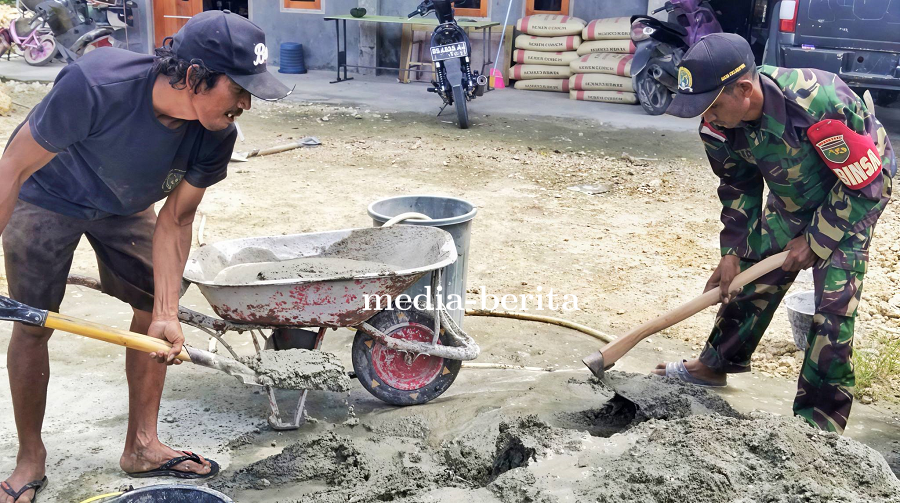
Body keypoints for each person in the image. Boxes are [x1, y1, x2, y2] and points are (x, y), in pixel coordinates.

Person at [0, 10, 291, 502]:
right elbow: (12, 168)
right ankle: (31, 457)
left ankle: (142, 445)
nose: (247, 101)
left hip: (125, 203)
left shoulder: (216, 133)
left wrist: (167, 313)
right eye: (239, 87)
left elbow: (175, 220)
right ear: (196, 76)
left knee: (156, 301)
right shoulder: (96, 84)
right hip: (45, 193)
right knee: (35, 323)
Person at [655, 33, 895, 434]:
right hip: (792, 196)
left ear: (744, 90)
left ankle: (817, 427)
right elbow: (738, 185)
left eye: (711, 105)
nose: (705, 117)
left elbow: (872, 185)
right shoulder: (718, 127)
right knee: (746, 276)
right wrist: (732, 251)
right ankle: (715, 366)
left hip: (852, 193)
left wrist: (816, 239)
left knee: (833, 311)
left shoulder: (819, 104)